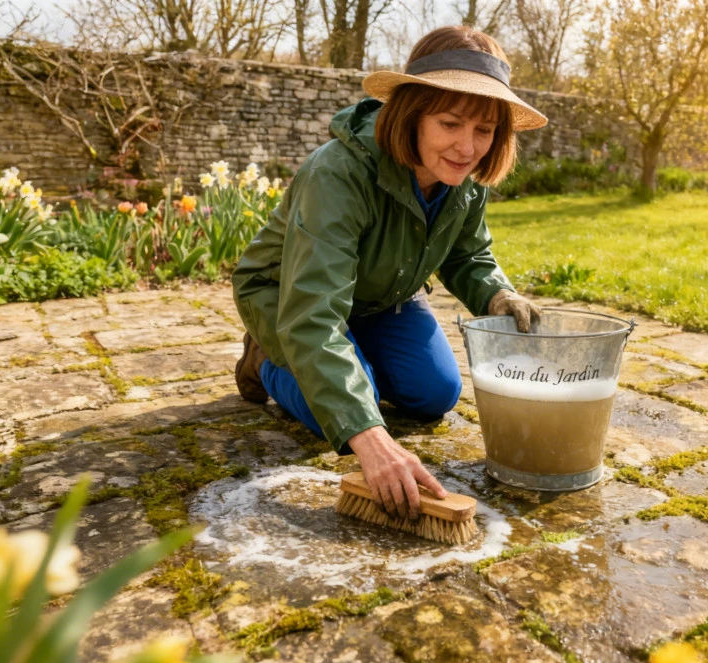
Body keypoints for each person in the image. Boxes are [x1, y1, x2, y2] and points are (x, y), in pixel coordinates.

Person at [231, 26, 546, 524]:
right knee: (343, 411)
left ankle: (355, 360)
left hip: (382, 298)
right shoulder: (337, 174)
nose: (467, 147)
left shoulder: (462, 180)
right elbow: (313, 313)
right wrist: (370, 439)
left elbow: (467, 256)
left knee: (435, 395)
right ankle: (266, 360)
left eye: (484, 131)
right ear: (412, 114)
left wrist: (497, 295)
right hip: (289, 297)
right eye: (450, 123)